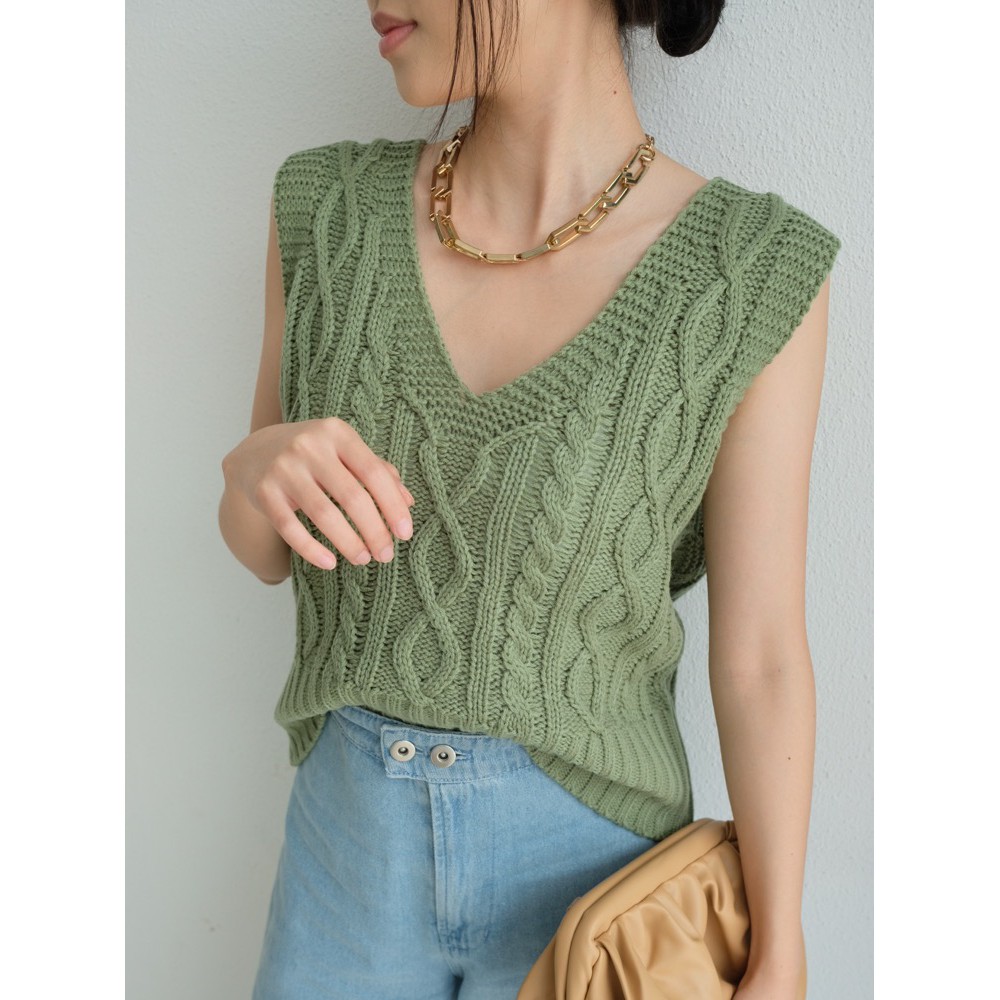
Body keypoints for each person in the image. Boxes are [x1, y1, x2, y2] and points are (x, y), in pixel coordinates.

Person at [218, 1, 842, 997]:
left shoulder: (748, 273)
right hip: (342, 863)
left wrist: (778, 951)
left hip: (593, 889)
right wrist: (253, 469)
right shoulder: (328, 208)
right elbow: (263, 550)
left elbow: (761, 656)